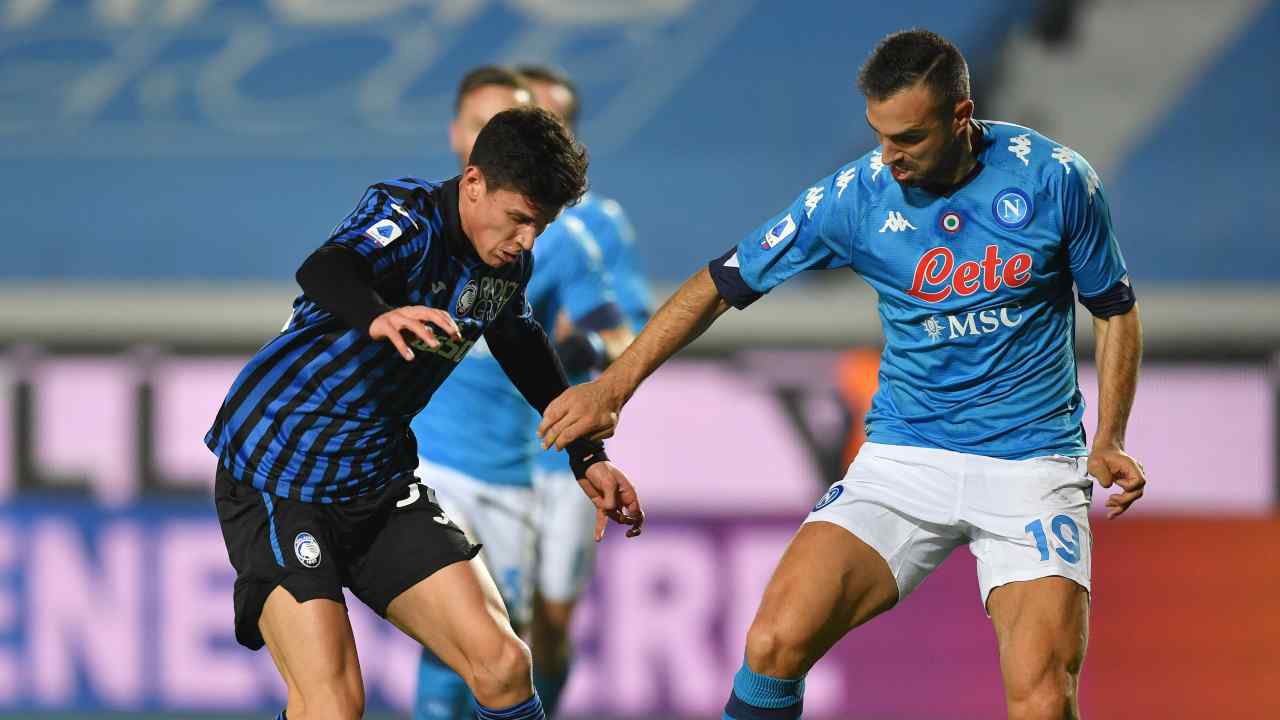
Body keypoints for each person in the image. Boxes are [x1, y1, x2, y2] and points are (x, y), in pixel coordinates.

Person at [538, 29, 1146, 720]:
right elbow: (720, 281)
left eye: (909, 138)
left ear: (960, 116)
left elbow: (1115, 311)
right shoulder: (856, 196)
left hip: (1030, 466)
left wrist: (1111, 436)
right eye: (879, 136)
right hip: (905, 459)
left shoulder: (1057, 180)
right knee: (773, 643)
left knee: (1042, 698)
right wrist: (612, 388)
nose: (890, 158)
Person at [205, 105, 643, 720]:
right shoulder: (405, 216)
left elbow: (517, 337)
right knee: (332, 705)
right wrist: (376, 313)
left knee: (504, 666)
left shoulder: (507, 262)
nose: (526, 241)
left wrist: (585, 452)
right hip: (277, 478)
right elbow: (327, 267)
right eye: (518, 219)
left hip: (375, 485)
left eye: (539, 227)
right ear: (472, 184)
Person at [411, 66, 635, 720]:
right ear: (463, 139)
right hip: (430, 459)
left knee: (521, 642)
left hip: (517, 465)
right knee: (453, 634)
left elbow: (615, 334)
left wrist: (576, 353)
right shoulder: (416, 224)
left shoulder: (554, 237)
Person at [514, 63, 655, 717]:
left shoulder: (594, 228)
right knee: (480, 619)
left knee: (548, 619)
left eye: (555, 120)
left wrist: (585, 339)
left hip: (559, 449)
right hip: (473, 448)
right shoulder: (465, 213)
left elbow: (622, 333)